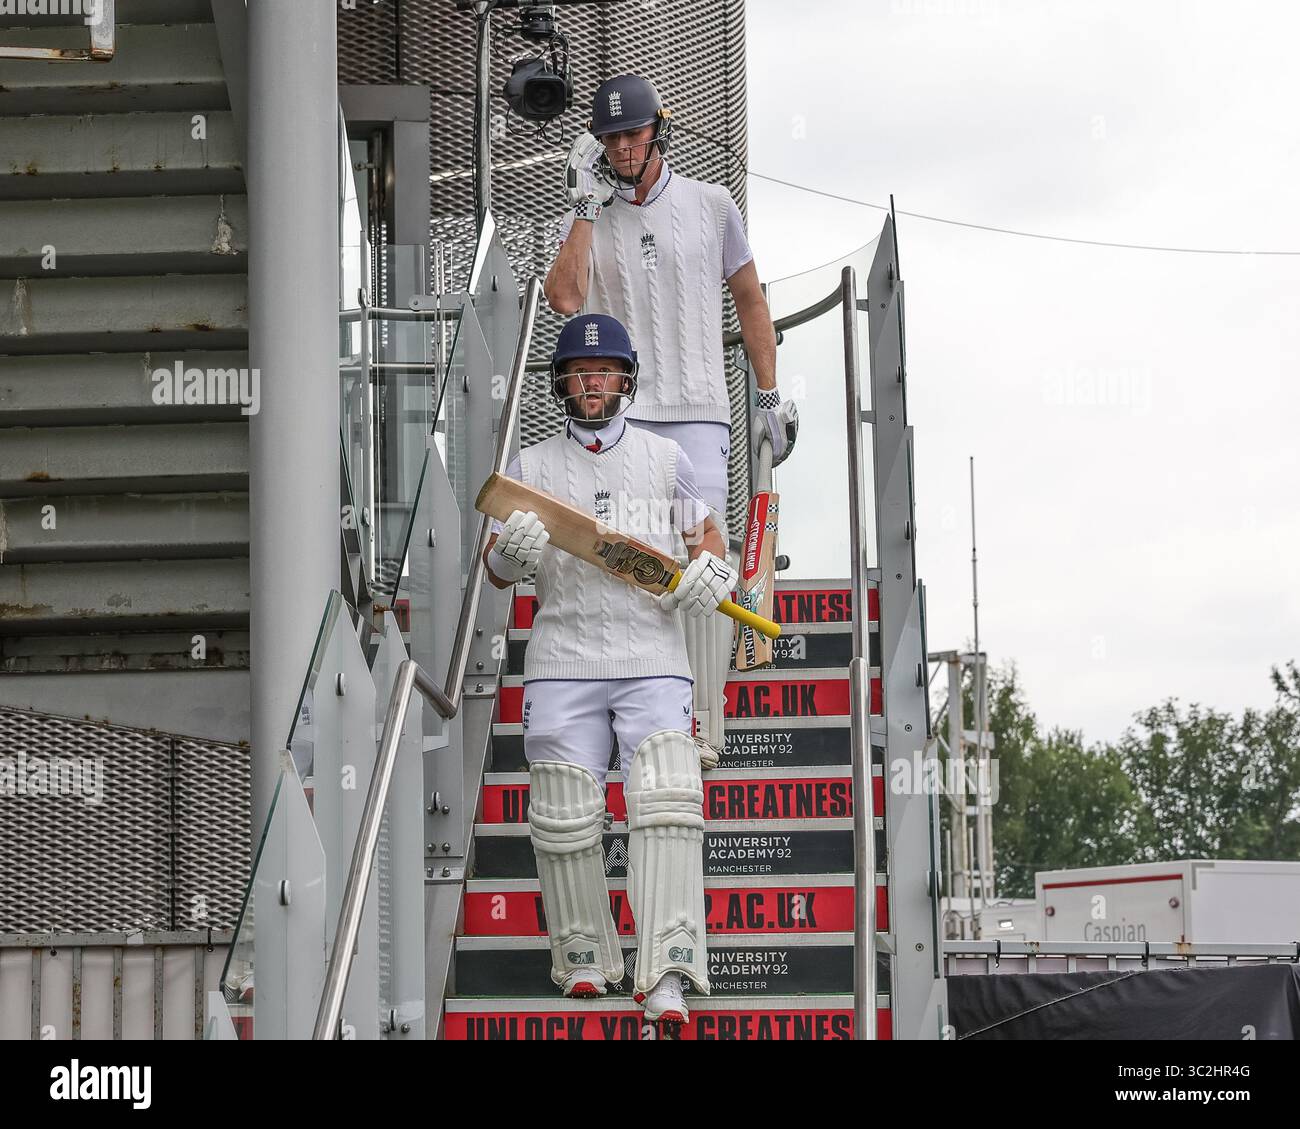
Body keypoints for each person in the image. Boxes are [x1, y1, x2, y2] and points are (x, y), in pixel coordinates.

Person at [483, 313, 736, 1025]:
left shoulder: (663, 457)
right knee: (564, 809)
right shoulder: (531, 468)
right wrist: (508, 558)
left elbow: (706, 533)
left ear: (625, 378)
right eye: (578, 371)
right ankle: (584, 952)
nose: (591, 381)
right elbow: (495, 568)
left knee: (665, 800)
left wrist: (709, 568)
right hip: (562, 657)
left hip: (652, 652)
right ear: (562, 381)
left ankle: (668, 971)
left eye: (604, 371)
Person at [544, 73, 798, 757]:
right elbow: (566, 299)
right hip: (624, 418)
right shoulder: (586, 215)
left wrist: (769, 392)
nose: (622, 147)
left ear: (658, 128)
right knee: (632, 561)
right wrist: (584, 207)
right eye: (610, 137)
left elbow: (750, 300)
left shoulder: (713, 205)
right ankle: (640, 719)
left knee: (704, 554)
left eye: (631, 132)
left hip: (700, 412)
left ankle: (705, 725)